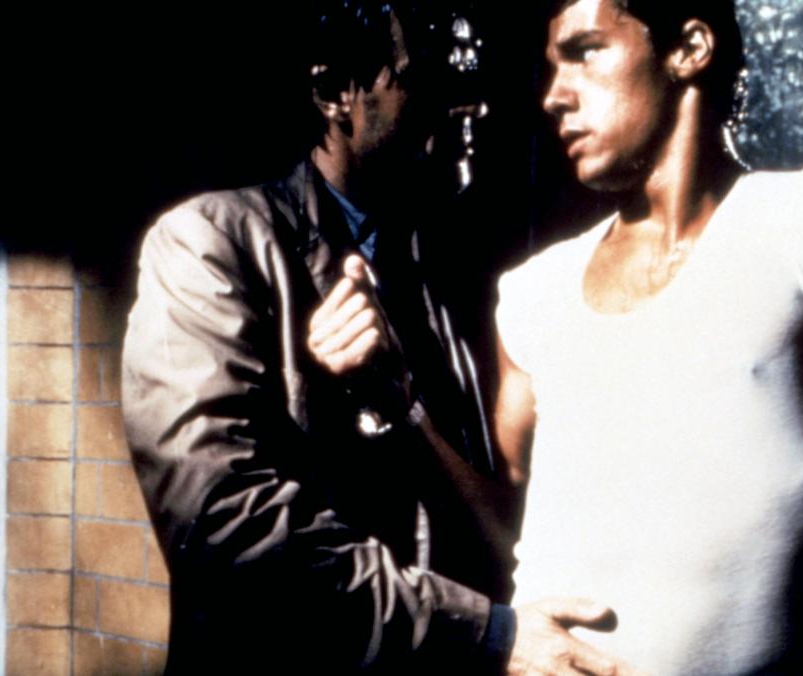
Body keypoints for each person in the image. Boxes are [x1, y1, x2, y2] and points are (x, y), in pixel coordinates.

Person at [494, 0, 803, 674]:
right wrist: (401, 411)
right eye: (551, 67)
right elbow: (505, 516)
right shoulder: (533, 294)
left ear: (689, 48)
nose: (555, 95)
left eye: (585, 51)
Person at [122, 1, 522, 672]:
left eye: (470, 74)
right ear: (336, 92)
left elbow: (502, 527)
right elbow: (223, 528)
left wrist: (405, 411)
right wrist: (484, 633)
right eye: (429, 74)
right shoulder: (210, 245)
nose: (470, 103)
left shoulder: (452, 277)